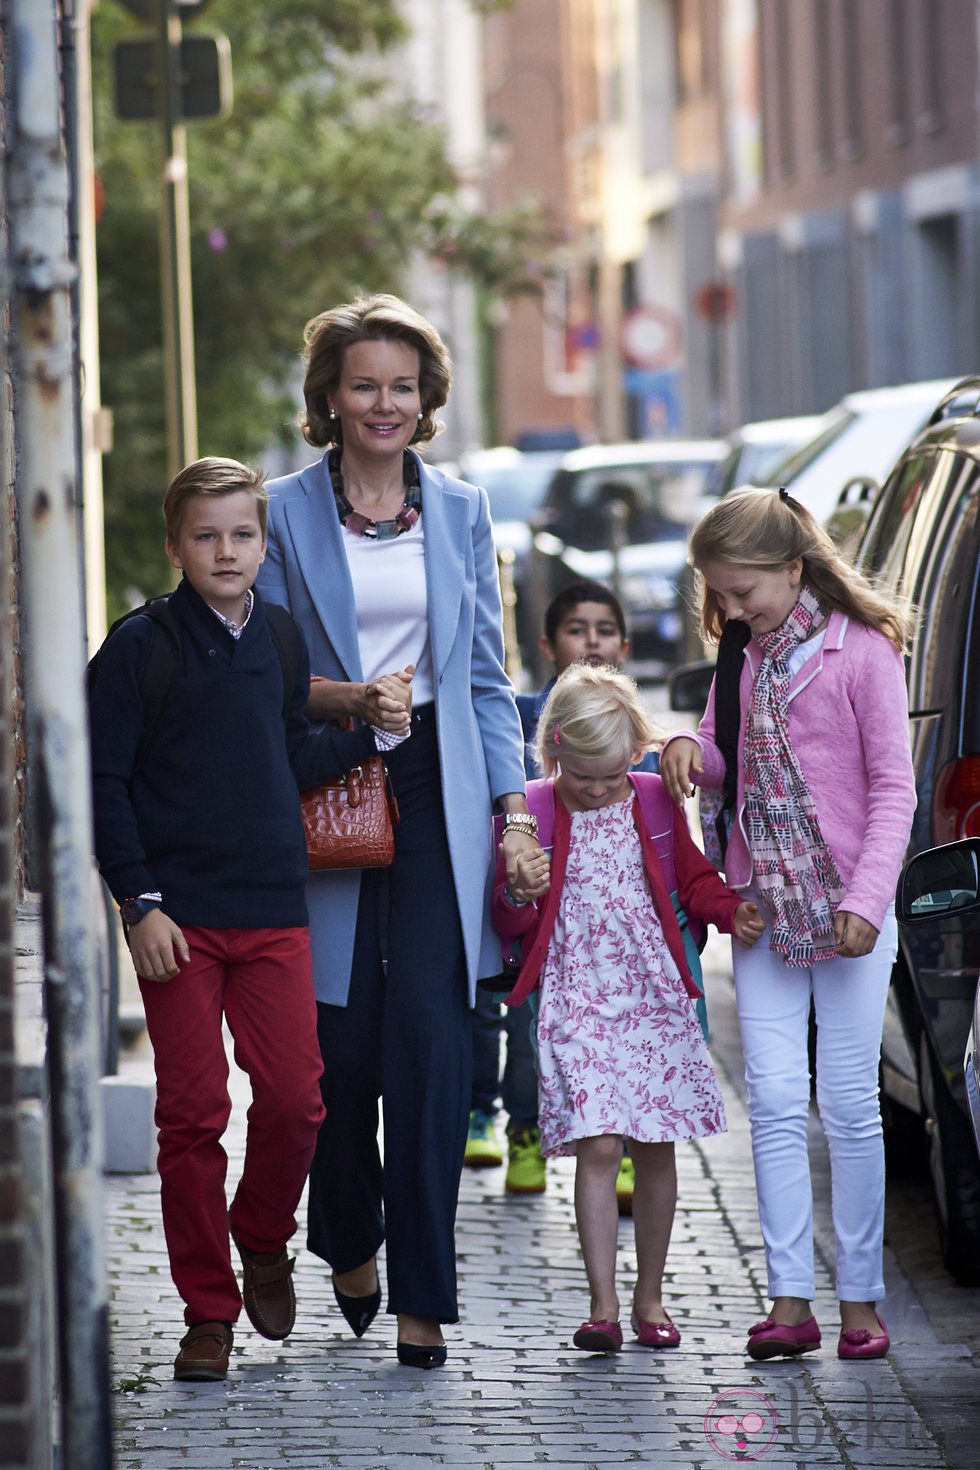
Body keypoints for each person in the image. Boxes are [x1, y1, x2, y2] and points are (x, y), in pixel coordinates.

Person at [255, 292, 546, 1370]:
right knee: (337, 1041)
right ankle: (341, 1232)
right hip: (326, 779)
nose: (384, 401)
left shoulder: (464, 510)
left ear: (425, 398)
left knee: (430, 1033)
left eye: (402, 384)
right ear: (328, 398)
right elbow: (269, 677)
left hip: (434, 784)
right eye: (363, 383)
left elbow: (482, 677)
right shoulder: (280, 511)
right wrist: (346, 704)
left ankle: (424, 1290)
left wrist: (510, 807)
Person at [90, 457, 390, 1382]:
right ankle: (207, 1311)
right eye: (207, 536)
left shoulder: (283, 637)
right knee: (191, 1115)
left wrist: (367, 735)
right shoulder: (139, 647)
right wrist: (137, 902)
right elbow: (102, 783)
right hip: (174, 920)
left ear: (264, 544)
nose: (227, 551)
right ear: (175, 545)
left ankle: (262, 1238)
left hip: (271, 908)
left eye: (243, 535)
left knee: (298, 1100)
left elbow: (283, 754)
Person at [659, 486, 916, 1363]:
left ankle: (861, 1302)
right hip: (761, 906)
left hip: (845, 911)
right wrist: (694, 749)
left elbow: (894, 790)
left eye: (742, 592)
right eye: (720, 595)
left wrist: (863, 903)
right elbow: (726, 740)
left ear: (793, 569)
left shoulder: (862, 654)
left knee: (847, 1105)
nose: (730, 610)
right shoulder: (741, 648)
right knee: (771, 1102)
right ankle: (789, 1299)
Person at [492, 664, 763, 1352]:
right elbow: (506, 919)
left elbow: (694, 880)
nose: (603, 790)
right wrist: (519, 893)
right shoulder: (532, 809)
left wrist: (731, 910)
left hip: (653, 999)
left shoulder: (649, 797)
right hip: (575, 998)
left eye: (614, 776)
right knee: (599, 1143)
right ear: (554, 753)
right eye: (586, 779)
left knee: (653, 1145)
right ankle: (603, 1304)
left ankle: (651, 1296)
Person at [464, 580, 656, 1206]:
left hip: (620, 939)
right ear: (548, 645)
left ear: (623, 645)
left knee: (626, 1042)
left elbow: (662, 846)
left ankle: (617, 1145)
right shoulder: (520, 722)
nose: (592, 641)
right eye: (578, 629)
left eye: (605, 630)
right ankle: (523, 1131)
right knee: (524, 1035)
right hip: (546, 926)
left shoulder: (638, 735)